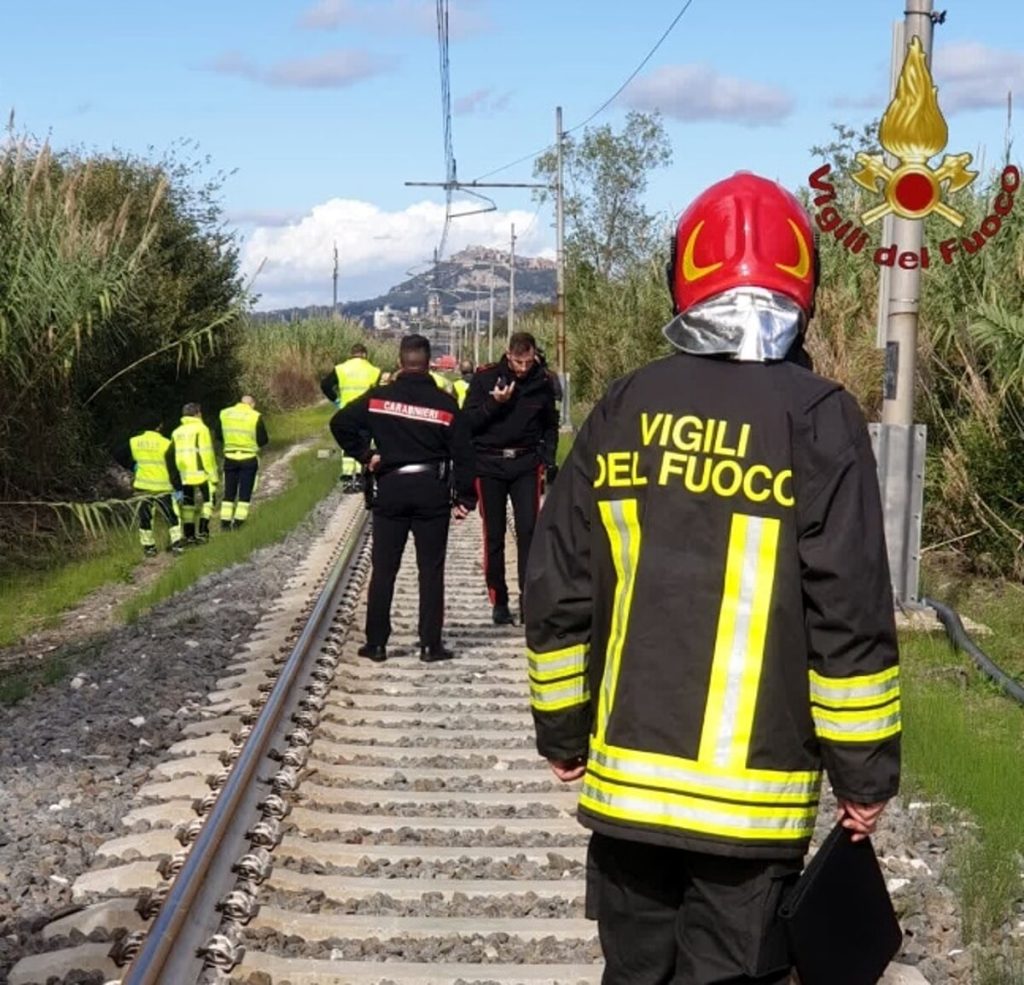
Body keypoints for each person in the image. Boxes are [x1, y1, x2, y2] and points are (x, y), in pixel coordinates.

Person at [523, 172, 900, 985]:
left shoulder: (623, 407)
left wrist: (562, 732)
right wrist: (864, 774)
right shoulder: (818, 417)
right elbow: (849, 613)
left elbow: (558, 590)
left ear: (683, 279)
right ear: (803, 285)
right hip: (750, 814)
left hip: (626, 796)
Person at [330, 334, 477, 663]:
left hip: (391, 491)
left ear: (399, 363)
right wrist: (466, 498)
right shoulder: (445, 403)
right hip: (431, 491)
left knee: (383, 569)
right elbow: (465, 453)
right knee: (431, 570)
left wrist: (365, 454)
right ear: (428, 364)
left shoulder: (379, 398)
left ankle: (377, 644)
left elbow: (339, 422)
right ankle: (429, 645)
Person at [463, 331, 558, 625]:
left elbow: (550, 426)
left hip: (525, 463)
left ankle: (528, 598)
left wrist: (547, 458)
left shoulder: (543, 382)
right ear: (508, 354)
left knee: (529, 531)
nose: (523, 368)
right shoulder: (484, 379)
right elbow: (467, 423)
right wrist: (496, 403)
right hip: (489, 463)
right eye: (518, 362)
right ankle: (499, 599)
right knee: (494, 533)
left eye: (528, 361)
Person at [114, 417, 183, 557]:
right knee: (172, 515)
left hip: (143, 486)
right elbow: (175, 466)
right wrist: (178, 486)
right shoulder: (166, 443)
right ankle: (177, 544)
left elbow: (117, 454)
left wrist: (131, 466)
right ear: (159, 426)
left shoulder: (134, 442)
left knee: (145, 518)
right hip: (163, 486)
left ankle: (149, 548)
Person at [321, 342, 382, 491]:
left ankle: (349, 476)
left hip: (346, 413)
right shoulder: (374, 371)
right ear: (365, 354)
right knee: (364, 443)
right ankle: (362, 475)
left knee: (349, 444)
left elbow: (325, 385)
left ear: (351, 353)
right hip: (367, 413)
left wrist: (336, 401)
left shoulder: (341, 369)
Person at [166, 402, 218, 545]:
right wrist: (213, 475)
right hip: (201, 473)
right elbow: (206, 454)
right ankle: (203, 531)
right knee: (209, 500)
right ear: (197, 414)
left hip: (184, 475)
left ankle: (189, 535)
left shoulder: (176, 432)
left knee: (188, 505)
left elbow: (171, 455)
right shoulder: (201, 429)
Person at [215, 395, 269, 531]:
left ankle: (225, 523)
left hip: (230, 457)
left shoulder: (225, 413)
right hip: (248, 458)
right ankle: (238, 522)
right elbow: (263, 439)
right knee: (245, 491)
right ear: (252, 404)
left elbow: (218, 435)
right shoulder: (255, 416)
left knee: (229, 492)